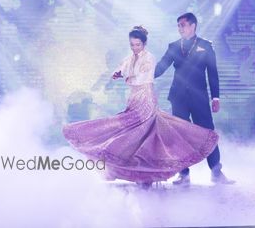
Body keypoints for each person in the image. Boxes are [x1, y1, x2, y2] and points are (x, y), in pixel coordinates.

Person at [63, 26, 219, 186]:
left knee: (144, 132)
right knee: (133, 134)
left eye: (138, 45)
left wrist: (128, 78)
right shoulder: (130, 57)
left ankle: (209, 171)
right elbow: (122, 68)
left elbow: (144, 78)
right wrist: (117, 74)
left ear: (144, 43)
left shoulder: (149, 58)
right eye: (132, 45)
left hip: (146, 96)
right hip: (134, 97)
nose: (135, 47)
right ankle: (142, 174)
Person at [154, 12, 234, 185]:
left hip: (199, 98)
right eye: (178, 25)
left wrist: (216, 97)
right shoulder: (174, 46)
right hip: (178, 97)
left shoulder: (206, 46)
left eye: (182, 25)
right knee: (179, 135)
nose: (180, 28)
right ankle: (183, 174)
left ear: (193, 26)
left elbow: (212, 73)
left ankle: (216, 173)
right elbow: (160, 68)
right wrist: (142, 73)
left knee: (207, 133)